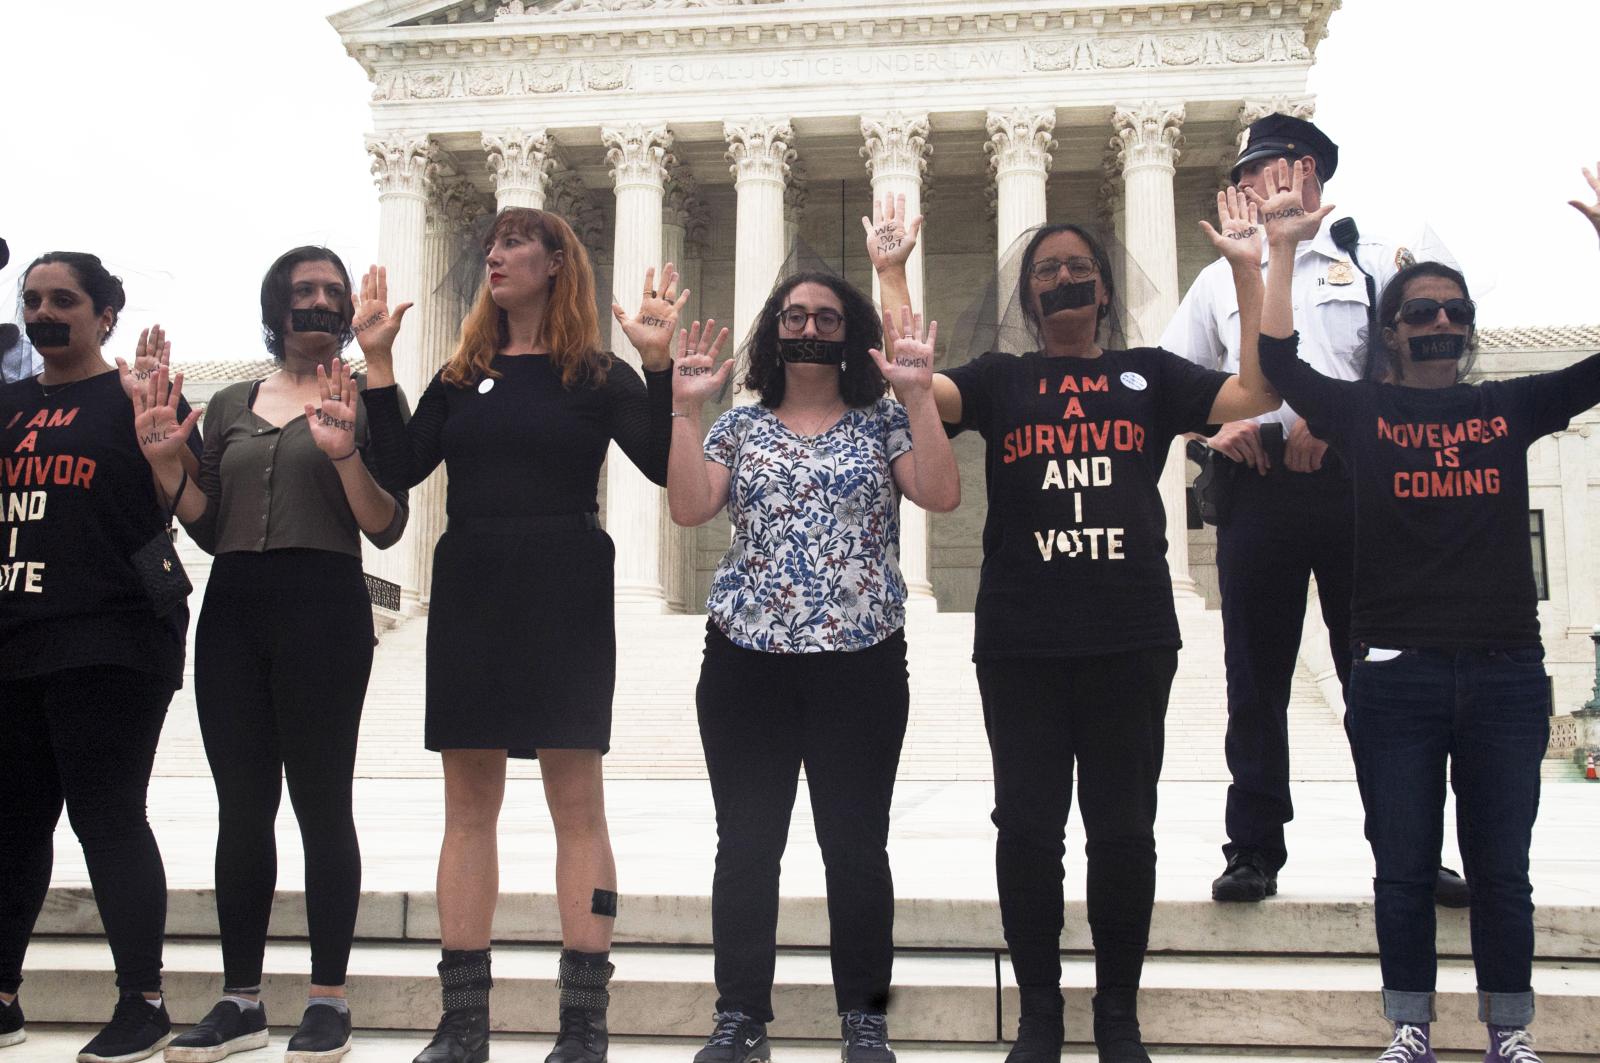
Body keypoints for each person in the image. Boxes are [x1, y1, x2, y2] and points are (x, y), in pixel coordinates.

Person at [929, 187, 1288, 1062]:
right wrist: (898, 275)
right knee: (1027, 828)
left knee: (1124, 830)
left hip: (1129, 635)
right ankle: (1043, 1012)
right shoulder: (1002, 380)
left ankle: (1116, 1012)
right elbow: (919, 390)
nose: (1064, 281)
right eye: (1047, 271)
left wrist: (1249, 273)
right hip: (1020, 640)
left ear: (1102, 289)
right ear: (1027, 296)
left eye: (1079, 269)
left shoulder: (1151, 375)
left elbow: (1253, 392)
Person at [1253, 159, 1600, 1063]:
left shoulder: (1508, 406)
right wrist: (1285, 251)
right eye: (1421, 312)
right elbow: (1279, 362)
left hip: (1504, 674)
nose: (1440, 322)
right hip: (1397, 675)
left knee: (1503, 874)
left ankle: (1509, 1032)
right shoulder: (1362, 412)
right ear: (1392, 333)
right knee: (1402, 869)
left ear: (1469, 331)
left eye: (1454, 312)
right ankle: (1409, 1026)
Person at [361, 207, 680, 1063]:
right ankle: (462, 1024)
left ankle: (584, 1027)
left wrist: (659, 364)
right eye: (490, 244)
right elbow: (397, 469)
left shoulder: (598, 374)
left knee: (578, 809)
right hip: (473, 587)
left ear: (554, 262)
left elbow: (661, 463)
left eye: (512, 243)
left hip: (566, 585)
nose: (494, 255)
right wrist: (380, 364)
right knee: (468, 810)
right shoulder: (460, 375)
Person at [666, 195, 959, 1063]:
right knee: (746, 845)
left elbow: (941, 494)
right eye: (794, 315)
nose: (809, 327)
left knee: (856, 845)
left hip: (861, 660)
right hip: (747, 660)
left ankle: (863, 1018)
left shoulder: (882, 421)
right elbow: (688, 508)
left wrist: (918, 396)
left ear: (850, 330)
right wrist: (682, 409)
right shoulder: (740, 424)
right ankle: (740, 1018)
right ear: (774, 329)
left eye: (827, 317)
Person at [1160, 114, 1468, 906]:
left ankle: (1410, 844)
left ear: (1303, 170)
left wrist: (1331, 428)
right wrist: (1216, 429)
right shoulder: (1222, 276)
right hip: (1257, 489)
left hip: (1351, 488)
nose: (1246, 187)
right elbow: (1174, 383)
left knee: (1379, 672)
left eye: (1257, 170)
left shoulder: (1368, 263)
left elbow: (1407, 373)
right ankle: (1254, 847)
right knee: (1253, 678)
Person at [137, 247, 410, 1063]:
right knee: (241, 808)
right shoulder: (228, 404)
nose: (319, 304)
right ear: (277, 308)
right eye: (302, 292)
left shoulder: (367, 400)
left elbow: (388, 524)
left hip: (324, 604)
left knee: (322, 803)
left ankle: (328, 997)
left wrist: (342, 451)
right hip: (235, 610)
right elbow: (208, 523)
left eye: (331, 292)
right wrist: (164, 468)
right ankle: (241, 996)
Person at [0, 253, 199, 1062]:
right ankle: (5, 996)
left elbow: (179, 495)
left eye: (66, 300)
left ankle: (143, 1002)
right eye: (34, 300)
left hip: (111, 638)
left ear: (106, 314)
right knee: (12, 827)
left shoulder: (139, 397)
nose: (47, 312)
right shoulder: (7, 402)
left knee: (107, 816)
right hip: (15, 638)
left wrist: (161, 440)